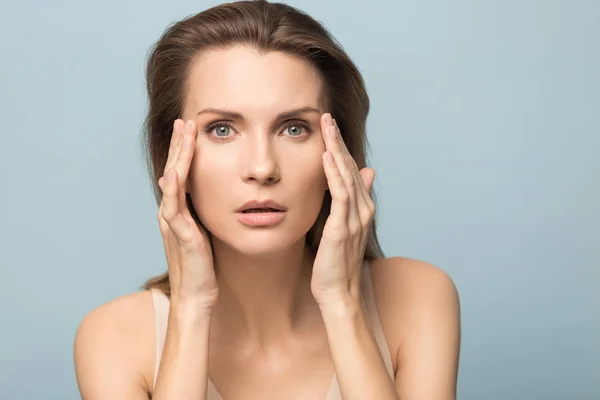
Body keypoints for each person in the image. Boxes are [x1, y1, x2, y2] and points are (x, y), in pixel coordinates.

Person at [73, 1, 460, 399]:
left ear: (339, 154)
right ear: (173, 160)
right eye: (222, 129)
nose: (262, 168)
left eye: (294, 128)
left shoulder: (418, 298)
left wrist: (342, 303)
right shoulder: (114, 338)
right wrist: (190, 309)